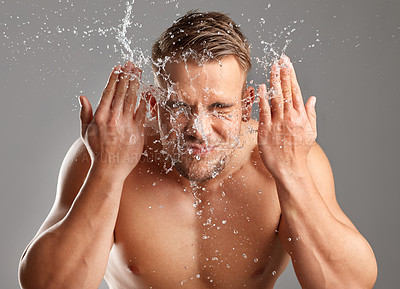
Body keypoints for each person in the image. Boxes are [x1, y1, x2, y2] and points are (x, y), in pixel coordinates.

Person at [18, 11, 377, 289]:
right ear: (155, 105)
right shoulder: (108, 155)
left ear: (247, 103)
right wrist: (108, 171)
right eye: (178, 107)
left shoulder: (288, 160)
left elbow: (348, 284)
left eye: (219, 107)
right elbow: (47, 285)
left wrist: (292, 173)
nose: (198, 130)